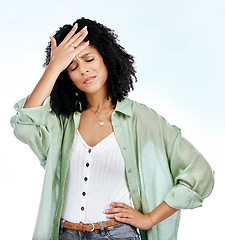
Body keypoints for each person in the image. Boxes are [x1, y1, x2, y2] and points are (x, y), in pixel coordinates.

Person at [10, 17, 214, 240]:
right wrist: (55, 66)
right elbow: (25, 127)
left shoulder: (141, 119)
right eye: (72, 67)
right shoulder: (62, 122)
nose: (84, 70)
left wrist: (150, 219)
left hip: (117, 235)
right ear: (66, 77)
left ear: (106, 58)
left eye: (89, 59)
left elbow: (200, 173)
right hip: (64, 234)